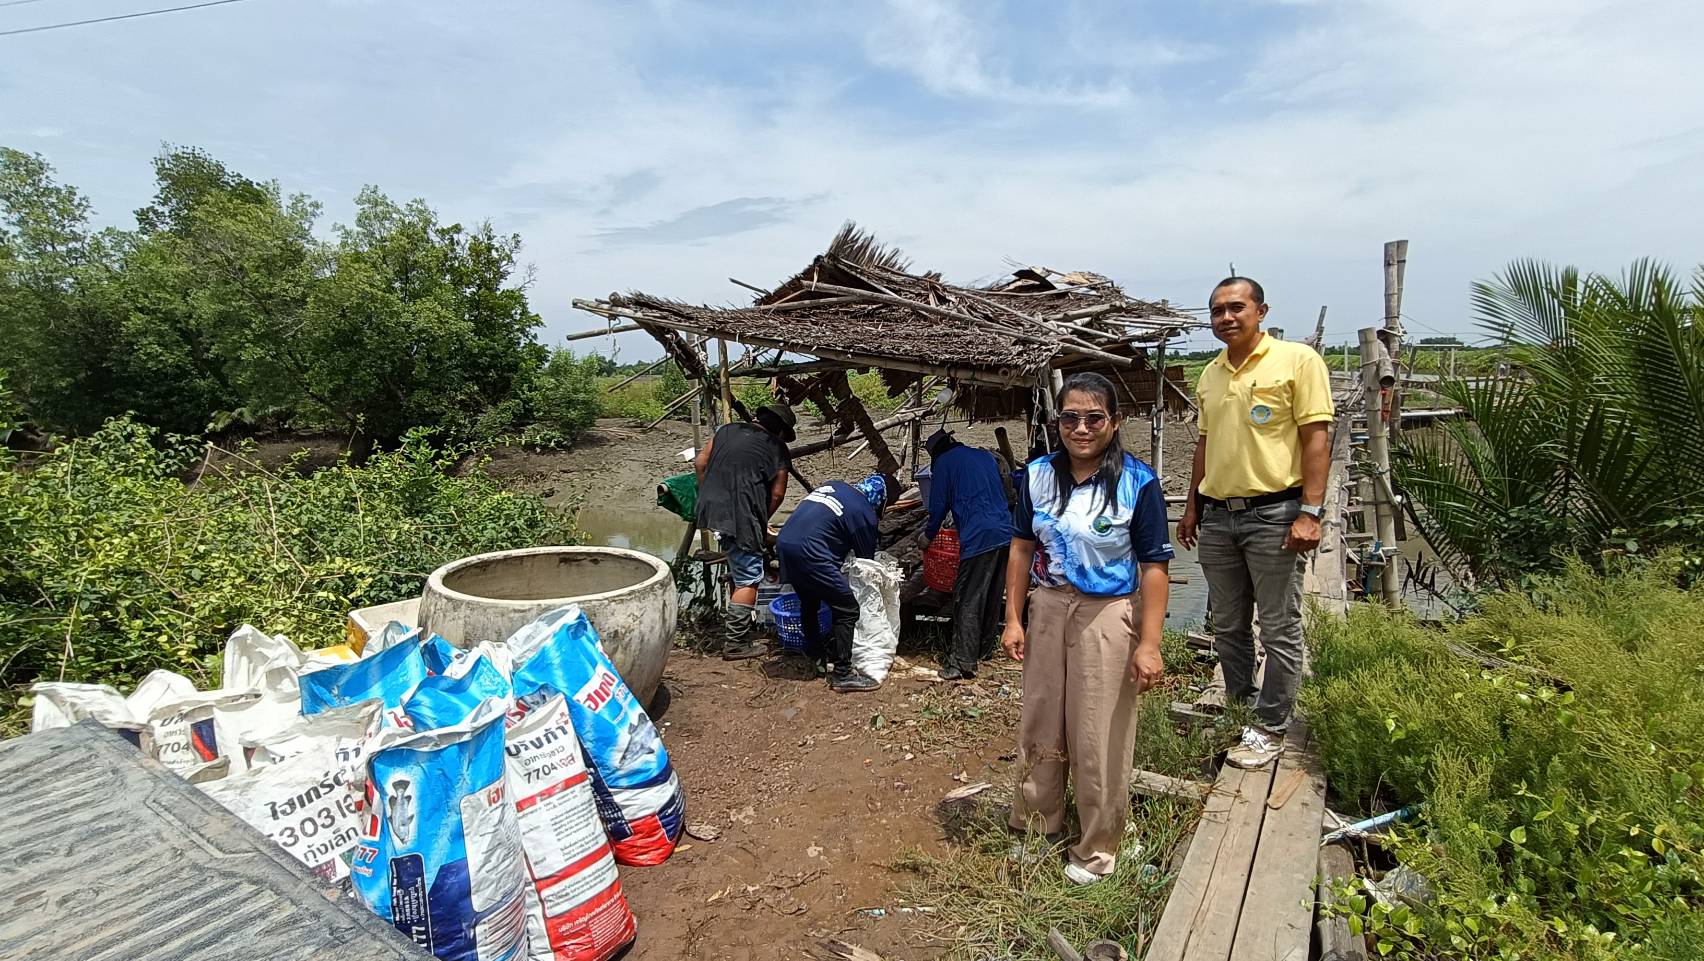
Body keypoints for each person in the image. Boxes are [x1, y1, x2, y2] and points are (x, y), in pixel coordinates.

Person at [1003, 373, 1173, 886]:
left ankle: (1097, 848)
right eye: (1070, 417)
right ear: (1057, 423)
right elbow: (1020, 549)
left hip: (1107, 615)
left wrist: (1149, 643)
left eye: (1094, 417)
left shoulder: (1137, 483)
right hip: (1048, 607)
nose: (1081, 427)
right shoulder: (1035, 476)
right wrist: (1014, 618)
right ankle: (1039, 829)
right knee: (1041, 722)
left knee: (1099, 732)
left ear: (1115, 422)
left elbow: (1154, 567)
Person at [1176, 277, 1333, 770]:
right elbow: (1205, 442)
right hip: (1220, 514)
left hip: (1276, 512)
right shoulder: (1211, 373)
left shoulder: (1297, 361)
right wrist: (1192, 504)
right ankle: (1241, 707)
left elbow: (1316, 439)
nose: (1226, 317)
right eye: (1217, 309)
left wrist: (1310, 511)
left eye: (1236, 307)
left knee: (1279, 625)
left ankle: (1271, 726)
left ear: (1261, 310)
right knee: (1227, 623)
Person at [776, 473, 902, 693]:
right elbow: (865, 565)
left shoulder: (835, 484)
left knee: (810, 601)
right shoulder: (864, 514)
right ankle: (843, 674)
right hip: (811, 553)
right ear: (882, 500)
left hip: (785, 543)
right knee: (847, 608)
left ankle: (816, 658)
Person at [695, 403, 797, 660]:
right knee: (749, 576)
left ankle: (736, 626)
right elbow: (778, 493)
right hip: (743, 515)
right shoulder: (777, 447)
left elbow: (700, 463)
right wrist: (761, 520)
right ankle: (735, 643)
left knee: (739, 561)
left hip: (711, 508)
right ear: (781, 431)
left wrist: (709, 494)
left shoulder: (725, 431)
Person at [924, 429, 1012, 681]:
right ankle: (983, 649)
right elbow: (1005, 493)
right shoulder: (984, 457)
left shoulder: (943, 464)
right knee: (993, 594)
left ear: (936, 452)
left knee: (968, 597)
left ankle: (962, 662)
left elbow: (938, 506)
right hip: (1005, 532)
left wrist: (928, 535)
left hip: (979, 537)